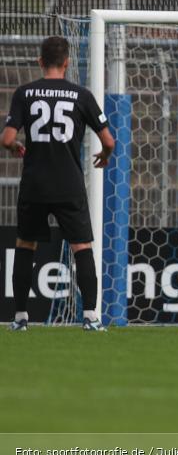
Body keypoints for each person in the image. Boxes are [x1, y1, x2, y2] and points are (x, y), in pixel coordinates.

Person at [3, 36, 115, 331]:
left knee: (25, 245)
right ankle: (90, 317)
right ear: (67, 63)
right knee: (82, 246)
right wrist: (104, 155)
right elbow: (109, 141)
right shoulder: (82, 95)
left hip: (35, 184)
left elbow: (7, 139)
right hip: (69, 183)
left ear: (40, 62)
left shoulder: (25, 93)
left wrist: (15, 147)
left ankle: (20, 319)